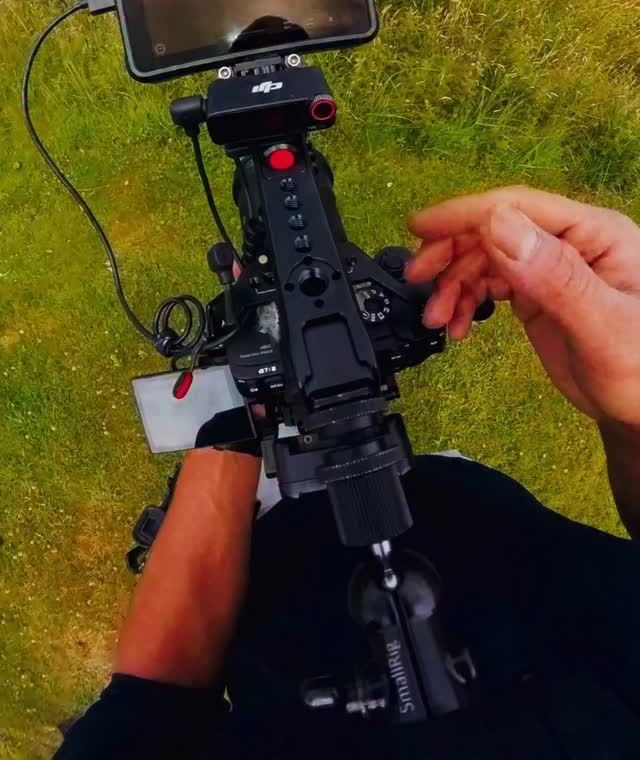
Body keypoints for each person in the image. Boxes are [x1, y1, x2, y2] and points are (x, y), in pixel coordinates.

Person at [56, 186, 640, 758]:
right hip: (467, 500)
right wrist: (629, 409)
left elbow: (150, 702)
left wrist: (233, 426)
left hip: (277, 536)